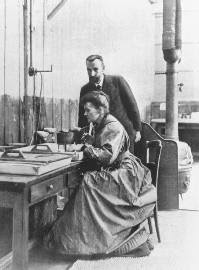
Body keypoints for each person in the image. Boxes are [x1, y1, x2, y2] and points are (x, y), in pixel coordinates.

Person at [43, 91, 156, 257]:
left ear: (101, 110)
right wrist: (91, 140)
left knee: (89, 182)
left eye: (88, 110)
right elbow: (104, 147)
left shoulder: (112, 126)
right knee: (89, 180)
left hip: (127, 173)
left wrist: (86, 148)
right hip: (119, 168)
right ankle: (80, 234)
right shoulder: (102, 124)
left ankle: (89, 239)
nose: (85, 113)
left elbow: (107, 156)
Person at [78, 54, 142, 153]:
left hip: (123, 132)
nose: (92, 74)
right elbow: (82, 116)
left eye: (95, 69)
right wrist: (82, 134)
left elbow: (132, 105)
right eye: (89, 70)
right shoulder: (85, 89)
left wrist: (137, 130)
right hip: (102, 135)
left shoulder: (117, 81)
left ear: (103, 68)